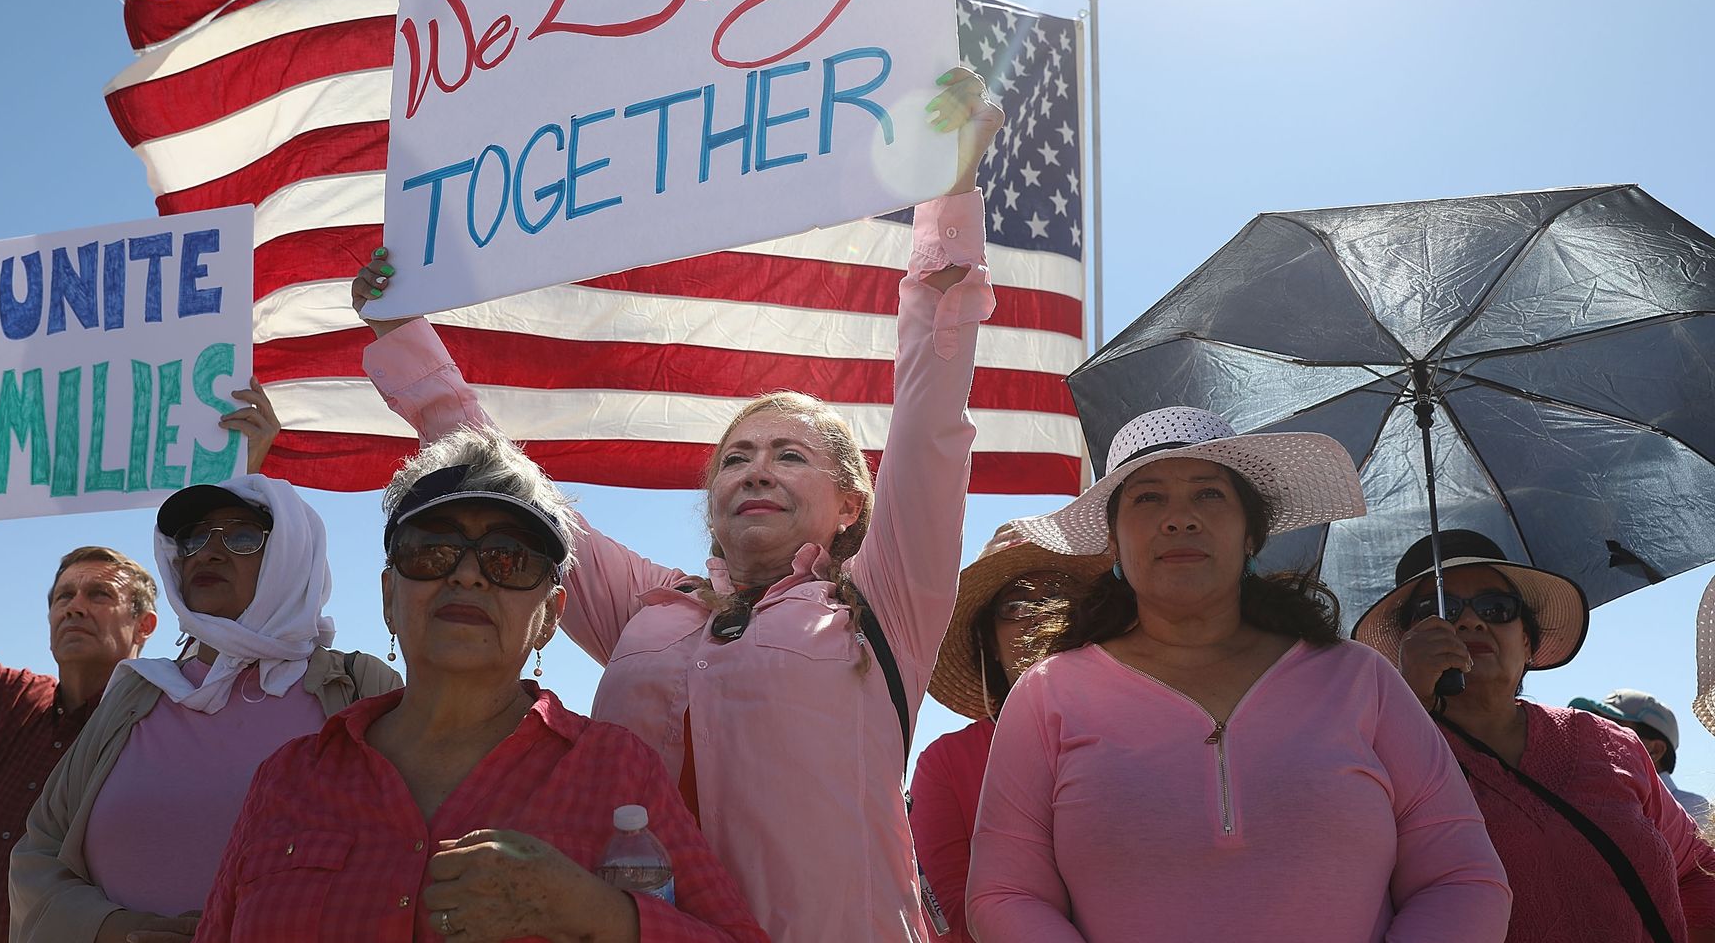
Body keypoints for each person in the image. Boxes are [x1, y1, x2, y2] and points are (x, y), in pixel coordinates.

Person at [349, 68, 1002, 941]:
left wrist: (949, 194)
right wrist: (405, 339)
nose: (755, 471)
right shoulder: (644, 609)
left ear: (852, 505)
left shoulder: (884, 603)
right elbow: (507, 488)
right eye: (735, 459)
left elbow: (929, 417)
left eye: (788, 456)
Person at [195, 427, 768, 942]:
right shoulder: (290, 778)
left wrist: (595, 912)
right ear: (389, 596)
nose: (466, 574)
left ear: (549, 616)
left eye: (509, 559)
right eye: (432, 551)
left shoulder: (616, 771)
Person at [968, 406, 1511, 941]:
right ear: (1113, 542)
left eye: (1209, 493)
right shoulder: (1046, 695)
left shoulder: (1361, 678)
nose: (1179, 518)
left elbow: (1462, 879)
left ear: (1252, 534)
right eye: (1148, 497)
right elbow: (1005, 894)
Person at [0, 383, 275, 943]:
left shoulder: (174, 720)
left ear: (146, 624)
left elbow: (234, 626)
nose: (75, 606)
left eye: (100, 595)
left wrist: (246, 476)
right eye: (62, 596)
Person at [8, 473, 401, 943]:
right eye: (194, 539)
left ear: (289, 555)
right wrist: (113, 930)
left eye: (241, 536)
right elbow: (38, 855)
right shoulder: (137, 693)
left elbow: (410, 854)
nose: (209, 553)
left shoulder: (358, 688)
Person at [1358, 529, 1715, 942]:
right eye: (1441, 609)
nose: (1470, 621)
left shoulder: (1609, 743)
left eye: (1495, 608)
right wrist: (1409, 706)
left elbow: (1697, 869)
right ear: (1406, 644)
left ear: (1527, 642)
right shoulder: (1378, 757)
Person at [907, 522, 1107, 941]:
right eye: (1015, 606)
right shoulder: (944, 763)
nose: (1038, 617)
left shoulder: (1149, 726)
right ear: (989, 643)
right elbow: (957, 921)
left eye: (1058, 597)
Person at [1572, 689, 1713, 823]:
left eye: (1614, 728)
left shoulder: (1693, 810)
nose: (1596, 735)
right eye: (1594, 725)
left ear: (1656, 750)